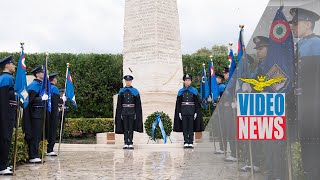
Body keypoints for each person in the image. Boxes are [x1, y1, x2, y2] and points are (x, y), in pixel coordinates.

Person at [290, 7, 320, 179]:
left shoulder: (316, 44)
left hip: (314, 108)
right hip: (304, 109)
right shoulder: (301, 45)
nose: (293, 26)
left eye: (296, 23)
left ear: (308, 24)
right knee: (307, 149)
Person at [22, 65, 46, 163]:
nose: (44, 74)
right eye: (43, 72)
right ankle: (33, 155)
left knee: (38, 134)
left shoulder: (41, 84)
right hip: (34, 114)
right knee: (34, 134)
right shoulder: (33, 86)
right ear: (37, 74)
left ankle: (35, 154)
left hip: (40, 113)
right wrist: (41, 99)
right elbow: (28, 101)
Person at [173, 74, 204, 148]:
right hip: (183, 111)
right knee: (185, 127)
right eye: (186, 80)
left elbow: (197, 102)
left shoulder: (194, 91)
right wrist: (179, 112)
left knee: (191, 127)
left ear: (191, 81)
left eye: (189, 80)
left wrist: (196, 112)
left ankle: (191, 141)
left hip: (191, 111)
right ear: (184, 81)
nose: (187, 81)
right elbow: (178, 103)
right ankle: (186, 141)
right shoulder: (181, 91)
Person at [115, 75, 143, 149]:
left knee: (131, 127)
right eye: (126, 81)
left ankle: (130, 142)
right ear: (125, 81)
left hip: (132, 112)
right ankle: (125, 142)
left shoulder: (135, 91)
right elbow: (119, 104)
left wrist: (137, 113)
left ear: (131, 81)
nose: (128, 82)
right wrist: (119, 113)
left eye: (129, 81)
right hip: (124, 112)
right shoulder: (121, 91)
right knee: (125, 128)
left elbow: (137, 104)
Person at [0, 56, 16, 175]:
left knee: (6, 138)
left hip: (7, 112)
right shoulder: (6, 78)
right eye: (12, 64)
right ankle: (2, 166)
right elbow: (4, 99)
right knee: (5, 138)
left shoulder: (6, 78)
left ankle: (4, 163)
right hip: (6, 113)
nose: (14, 66)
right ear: (7, 65)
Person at [221, 67, 237, 162]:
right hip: (227, 110)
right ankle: (233, 152)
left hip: (232, 110)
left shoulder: (233, 84)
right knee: (229, 132)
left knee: (232, 132)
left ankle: (235, 153)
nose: (224, 75)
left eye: (226, 73)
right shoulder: (227, 84)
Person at [46, 73, 61, 156]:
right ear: (54, 80)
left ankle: (46, 148)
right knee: (53, 130)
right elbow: (55, 103)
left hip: (46, 113)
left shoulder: (47, 88)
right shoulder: (54, 88)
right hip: (53, 113)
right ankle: (50, 149)